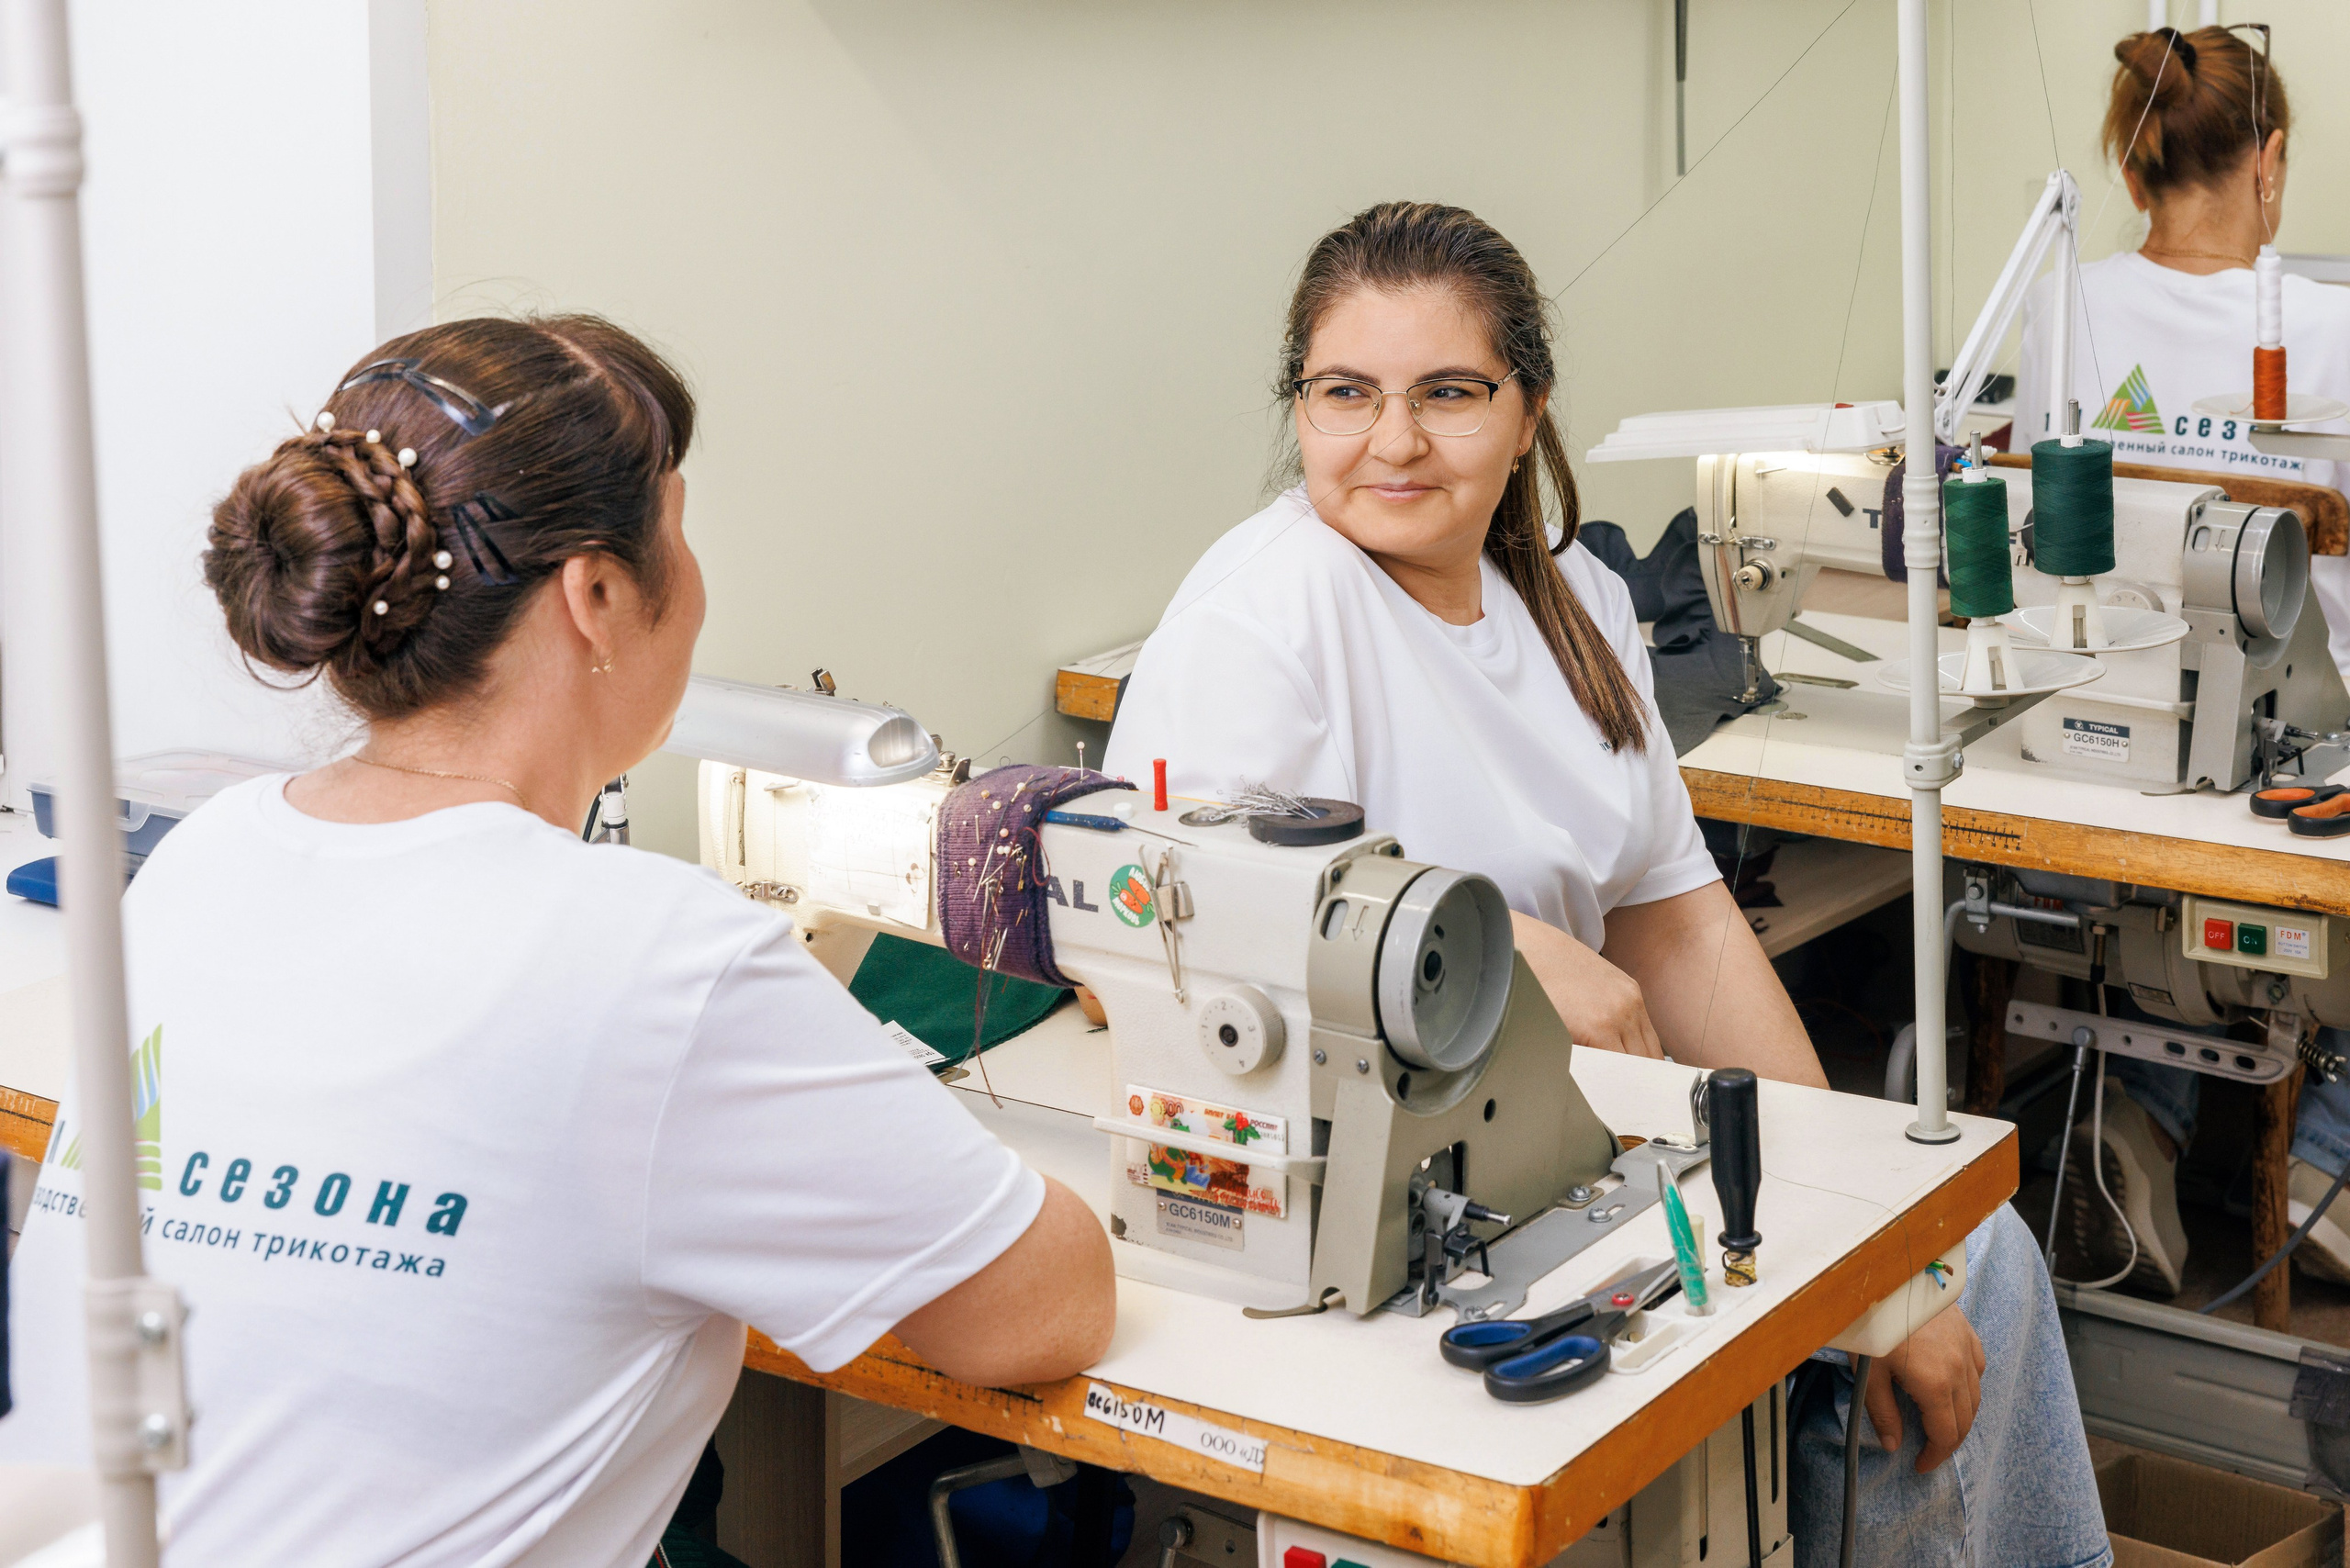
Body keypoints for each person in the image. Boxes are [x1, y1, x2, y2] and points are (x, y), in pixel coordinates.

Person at [0, 316, 1115, 1564]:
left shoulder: (201, 859)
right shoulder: (656, 960)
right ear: (595, 594)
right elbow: (1043, 1313)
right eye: (678, 532)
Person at [1105, 202, 2109, 1568]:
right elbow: (1176, 944)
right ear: (1299, 405)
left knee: (1976, 1256)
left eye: (1448, 394)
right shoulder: (1264, 622)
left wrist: (1875, 1235)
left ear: (1528, 413)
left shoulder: (1571, 601)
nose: (1392, 441)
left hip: (1563, 1147)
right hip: (1369, 1200)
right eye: (1345, 394)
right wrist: (1502, 950)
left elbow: (1685, 926)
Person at [2017, 25, 2350, 1297]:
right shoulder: (2325, 327)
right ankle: (2329, 1156)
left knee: (2152, 883)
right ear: (2268, 159)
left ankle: (2135, 1129)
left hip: (2085, 726)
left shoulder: (2061, 302)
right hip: (2273, 746)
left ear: (2134, 154)